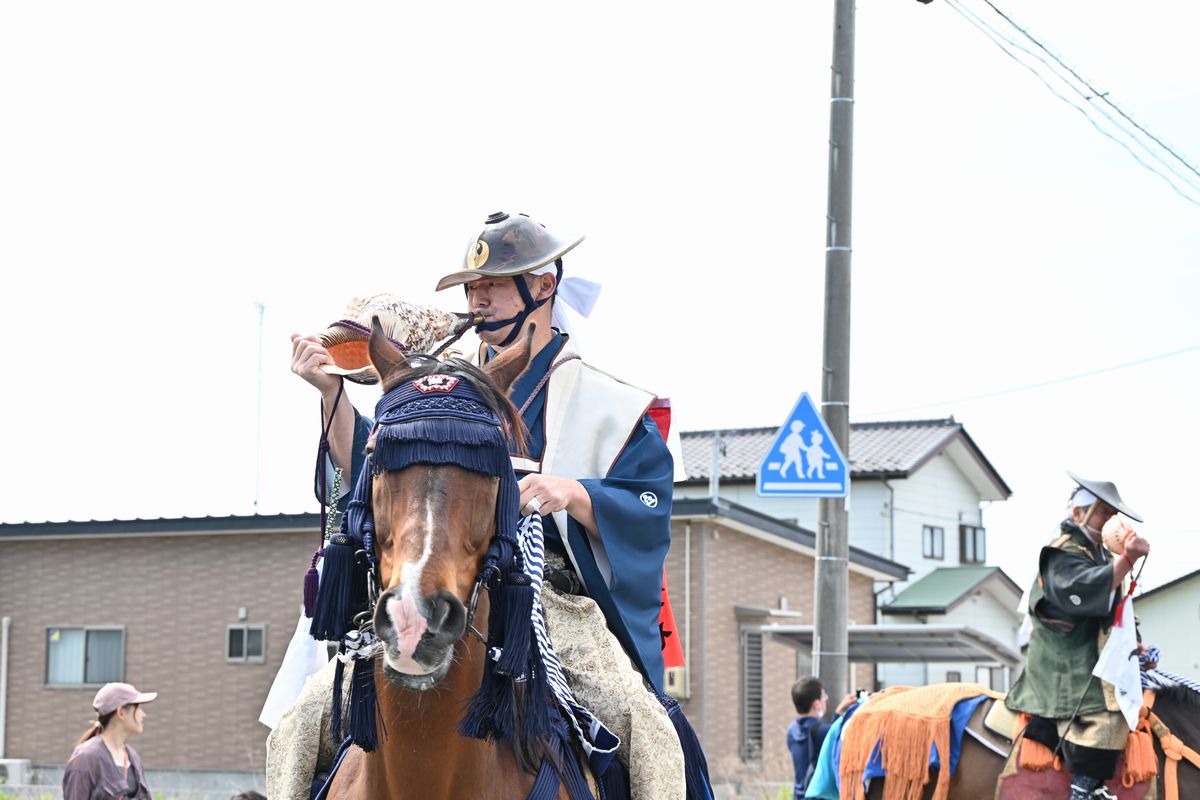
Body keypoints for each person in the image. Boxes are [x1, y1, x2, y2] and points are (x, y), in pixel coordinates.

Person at [267, 211, 692, 799]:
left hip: (552, 609)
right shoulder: (448, 388)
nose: (478, 298)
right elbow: (378, 470)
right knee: (296, 726)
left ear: (543, 286)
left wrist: (575, 493)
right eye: (472, 288)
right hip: (449, 588)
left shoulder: (610, 403)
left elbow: (649, 503)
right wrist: (331, 394)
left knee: (651, 731)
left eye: (493, 283)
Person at [1004, 472, 1151, 800]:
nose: (1111, 520)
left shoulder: (1100, 555)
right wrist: (1127, 559)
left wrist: (1136, 645)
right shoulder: (1061, 552)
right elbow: (1082, 590)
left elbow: (1118, 610)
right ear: (1077, 514)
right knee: (1108, 718)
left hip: (1093, 659)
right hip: (1065, 663)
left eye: (1113, 515)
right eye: (1103, 512)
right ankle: (1084, 789)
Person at [62, 682, 156, 800]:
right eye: (138, 708)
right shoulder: (86, 757)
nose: (143, 714)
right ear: (121, 712)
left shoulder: (133, 757)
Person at [786, 677, 855, 798]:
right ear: (816, 704)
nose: (825, 700)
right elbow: (832, 738)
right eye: (823, 696)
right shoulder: (820, 731)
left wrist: (838, 713)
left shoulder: (791, 731)